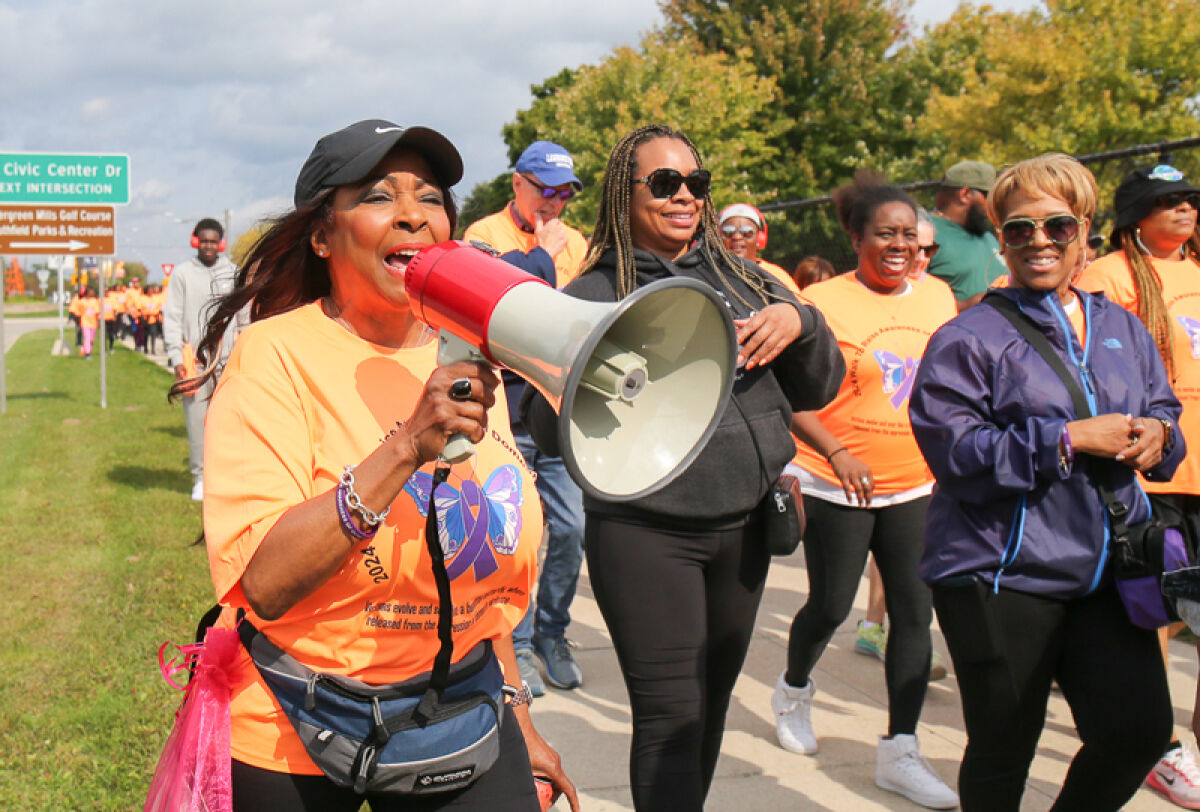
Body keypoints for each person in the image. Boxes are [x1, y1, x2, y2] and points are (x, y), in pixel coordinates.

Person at [178, 119, 579, 812]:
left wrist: (519, 715)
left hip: (460, 707)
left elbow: (479, 578)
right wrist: (403, 449)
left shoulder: (468, 352)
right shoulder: (273, 356)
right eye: (377, 195)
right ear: (323, 234)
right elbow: (265, 585)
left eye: (430, 197)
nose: (412, 215)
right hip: (297, 719)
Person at [520, 124, 843, 811]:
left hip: (747, 529)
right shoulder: (592, 292)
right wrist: (584, 367)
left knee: (711, 711)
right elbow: (548, 432)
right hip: (648, 538)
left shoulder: (746, 276)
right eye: (664, 183)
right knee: (673, 720)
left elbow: (818, 387)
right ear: (623, 194)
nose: (684, 197)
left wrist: (802, 321)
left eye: (695, 183)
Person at [910, 152, 1184, 811]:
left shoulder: (1122, 327)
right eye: (1018, 229)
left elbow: (1162, 407)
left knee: (1139, 731)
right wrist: (1065, 439)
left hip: (1106, 571)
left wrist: (1160, 436)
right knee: (1005, 748)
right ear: (1000, 238)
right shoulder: (968, 336)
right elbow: (955, 453)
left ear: (1085, 232)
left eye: (1057, 226)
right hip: (999, 572)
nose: (1039, 242)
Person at [771, 170, 959, 810]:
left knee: (914, 611)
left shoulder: (938, 297)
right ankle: (794, 688)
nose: (901, 244)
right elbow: (790, 396)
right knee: (830, 605)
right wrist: (838, 450)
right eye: (886, 234)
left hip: (915, 482)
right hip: (834, 480)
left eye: (910, 234)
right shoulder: (821, 299)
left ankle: (900, 749)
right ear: (856, 238)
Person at [1077, 162, 1200, 809]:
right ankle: (1162, 744)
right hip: (1153, 474)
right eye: (1168, 201)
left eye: (1190, 201)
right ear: (1134, 216)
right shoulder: (1110, 276)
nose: (1184, 209)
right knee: (1156, 605)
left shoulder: (1197, 270)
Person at [463, 141, 588, 697]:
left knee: (572, 529)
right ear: (518, 183)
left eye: (566, 193)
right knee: (511, 536)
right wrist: (542, 252)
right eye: (547, 189)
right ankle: (511, 645)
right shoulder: (482, 238)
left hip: (558, 412)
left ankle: (551, 634)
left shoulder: (575, 243)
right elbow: (505, 306)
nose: (556, 202)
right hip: (504, 416)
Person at [164, 217, 238, 501]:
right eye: (203, 241)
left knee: (229, 422)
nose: (208, 246)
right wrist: (175, 357)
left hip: (228, 360)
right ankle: (200, 478)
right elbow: (172, 317)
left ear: (221, 243)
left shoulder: (233, 272)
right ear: (195, 242)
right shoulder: (182, 274)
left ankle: (225, 476)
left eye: (213, 241)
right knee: (197, 421)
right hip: (194, 362)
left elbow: (242, 315)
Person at [927, 160, 1007, 310]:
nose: (994, 204)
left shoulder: (986, 236)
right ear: (965, 194)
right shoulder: (924, 232)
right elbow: (906, 299)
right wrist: (965, 306)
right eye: (989, 196)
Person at [718, 203, 794, 287]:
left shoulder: (778, 276)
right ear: (718, 236)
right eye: (728, 232)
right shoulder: (710, 273)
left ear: (759, 237)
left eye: (747, 232)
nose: (737, 237)